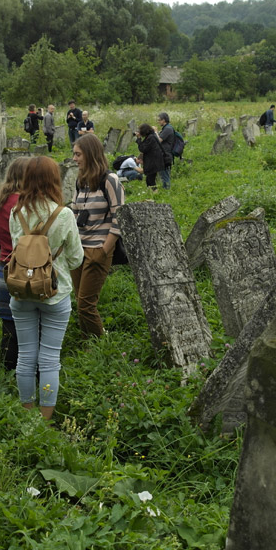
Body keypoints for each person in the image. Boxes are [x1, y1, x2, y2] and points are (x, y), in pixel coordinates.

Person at [9, 156, 84, 421]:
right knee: (50, 359)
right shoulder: (63, 215)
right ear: (55, 180)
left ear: (26, 178)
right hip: (55, 293)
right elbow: (76, 259)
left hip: (21, 291)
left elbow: (17, 249)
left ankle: (27, 416)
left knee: (25, 355)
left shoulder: (16, 212)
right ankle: (44, 421)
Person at [70, 133, 124, 338]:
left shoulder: (109, 180)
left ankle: (99, 343)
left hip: (98, 248)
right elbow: (75, 212)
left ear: (91, 154)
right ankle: (87, 340)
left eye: (78, 154)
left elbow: (120, 217)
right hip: (78, 249)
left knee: (86, 304)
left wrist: (104, 249)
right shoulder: (80, 181)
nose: (74, 159)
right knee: (80, 300)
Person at [0, 156, 30, 371]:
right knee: (32, 322)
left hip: (5, 270)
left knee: (9, 325)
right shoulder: (30, 203)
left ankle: (7, 372)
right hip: (29, 271)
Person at [135, 124, 166, 192]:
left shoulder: (150, 138)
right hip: (154, 161)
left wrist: (139, 139)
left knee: (150, 180)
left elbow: (142, 149)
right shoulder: (151, 136)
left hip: (153, 162)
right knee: (149, 179)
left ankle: (155, 193)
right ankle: (152, 193)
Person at [156, 112, 175, 190]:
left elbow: (158, 140)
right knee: (164, 174)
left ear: (163, 120)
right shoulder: (167, 128)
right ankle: (166, 189)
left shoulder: (167, 129)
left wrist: (155, 132)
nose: (158, 122)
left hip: (165, 155)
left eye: (159, 120)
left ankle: (167, 190)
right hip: (165, 154)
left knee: (165, 174)